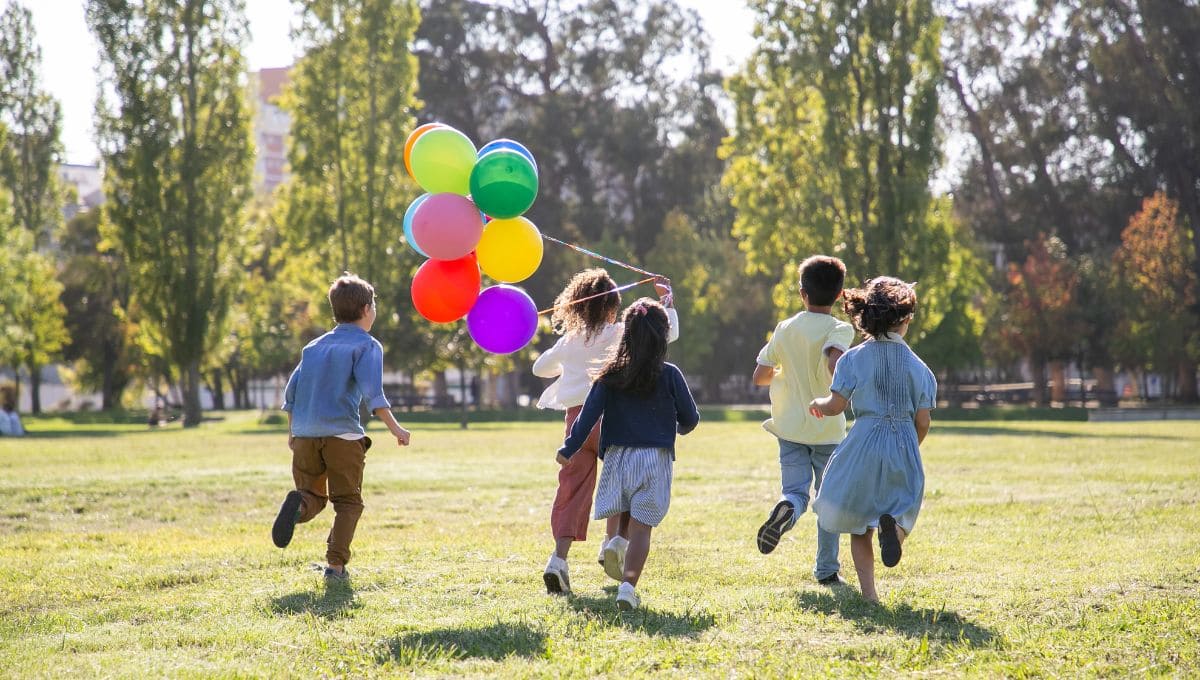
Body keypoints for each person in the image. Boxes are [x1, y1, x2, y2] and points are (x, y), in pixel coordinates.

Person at [533, 269, 678, 595]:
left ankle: (558, 560)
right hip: (613, 420)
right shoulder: (619, 333)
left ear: (576, 308)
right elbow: (667, 334)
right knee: (625, 484)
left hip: (576, 425)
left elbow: (539, 368)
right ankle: (613, 543)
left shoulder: (570, 341)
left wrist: (567, 356)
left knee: (571, 491)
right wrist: (666, 300)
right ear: (613, 308)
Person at [557, 298, 699, 610]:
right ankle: (627, 587)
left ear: (626, 334)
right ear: (663, 336)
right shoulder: (671, 374)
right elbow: (690, 418)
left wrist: (569, 448)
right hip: (654, 459)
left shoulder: (609, 375)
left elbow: (587, 418)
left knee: (624, 508)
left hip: (618, 458)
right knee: (643, 528)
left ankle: (616, 541)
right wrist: (677, 427)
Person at [271, 273, 412, 582]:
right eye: (374, 304)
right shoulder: (367, 345)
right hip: (342, 436)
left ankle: (298, 507)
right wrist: (397, 429)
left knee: (312, 496)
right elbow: (374, 395)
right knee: (347, 502)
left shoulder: (313, 347)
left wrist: (292, 434)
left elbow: (291, 394)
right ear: (366, 310)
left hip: (306, 435)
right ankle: (335, 567)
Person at [809, 277, 936, 602]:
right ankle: (893, 532)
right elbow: (923, 420)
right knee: (904, 507)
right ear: (905, 319)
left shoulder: (852, 359)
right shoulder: (921, 369)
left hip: (863, 441)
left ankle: (870, 596)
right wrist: (910, 445)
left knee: (858, 523)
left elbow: (837, 406)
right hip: (903, 442)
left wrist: (818, 404)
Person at [751, 255, 855, 585]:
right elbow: (833, 360)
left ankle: (786, 509)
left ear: (802, 293)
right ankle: (827, 570)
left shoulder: (785, 328)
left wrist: (786, 374)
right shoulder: (841, 328)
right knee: (828, 501)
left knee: (795, 491)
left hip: (790, 427)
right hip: (826, 427)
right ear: (840, 295)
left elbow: (760, 376)